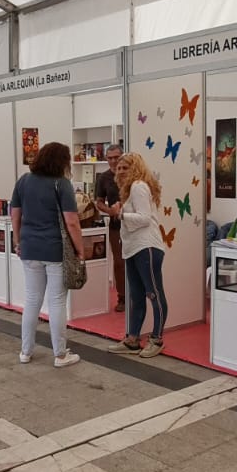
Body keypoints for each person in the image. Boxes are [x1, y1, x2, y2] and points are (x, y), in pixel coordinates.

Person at [10, 142, 85, 368]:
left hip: (30, 248)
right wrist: (80, 250)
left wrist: (17, 239)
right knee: (56, 302)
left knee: (32, 299)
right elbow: (72, 222)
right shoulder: (61, 184)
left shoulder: (23, 181)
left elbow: (15, 214)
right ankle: (60, 355)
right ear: (62, 161)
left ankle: (25, 351)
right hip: (54, 249)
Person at [109, 153, 168, 358]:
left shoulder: (138, 186)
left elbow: (144, 219)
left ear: (135, 168)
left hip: (146, 247)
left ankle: (156, 339)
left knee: (154, 293)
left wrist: (120, 214)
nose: (121, 171)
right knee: (136, 296)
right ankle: (132, 340)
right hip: (134, 248)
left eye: (126, 167)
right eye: (119, 168)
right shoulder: (129, 190)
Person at [95, 144, 127, 312]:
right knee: (119, 262)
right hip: (115, 226)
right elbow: (99, 202)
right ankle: (122, 297)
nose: (114, 161)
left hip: (134, 225)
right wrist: (110, 211)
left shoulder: (132, 174)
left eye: (116, 157)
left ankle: (137, 295)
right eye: (110, 158)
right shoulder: (103, 178)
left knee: (135, 262)